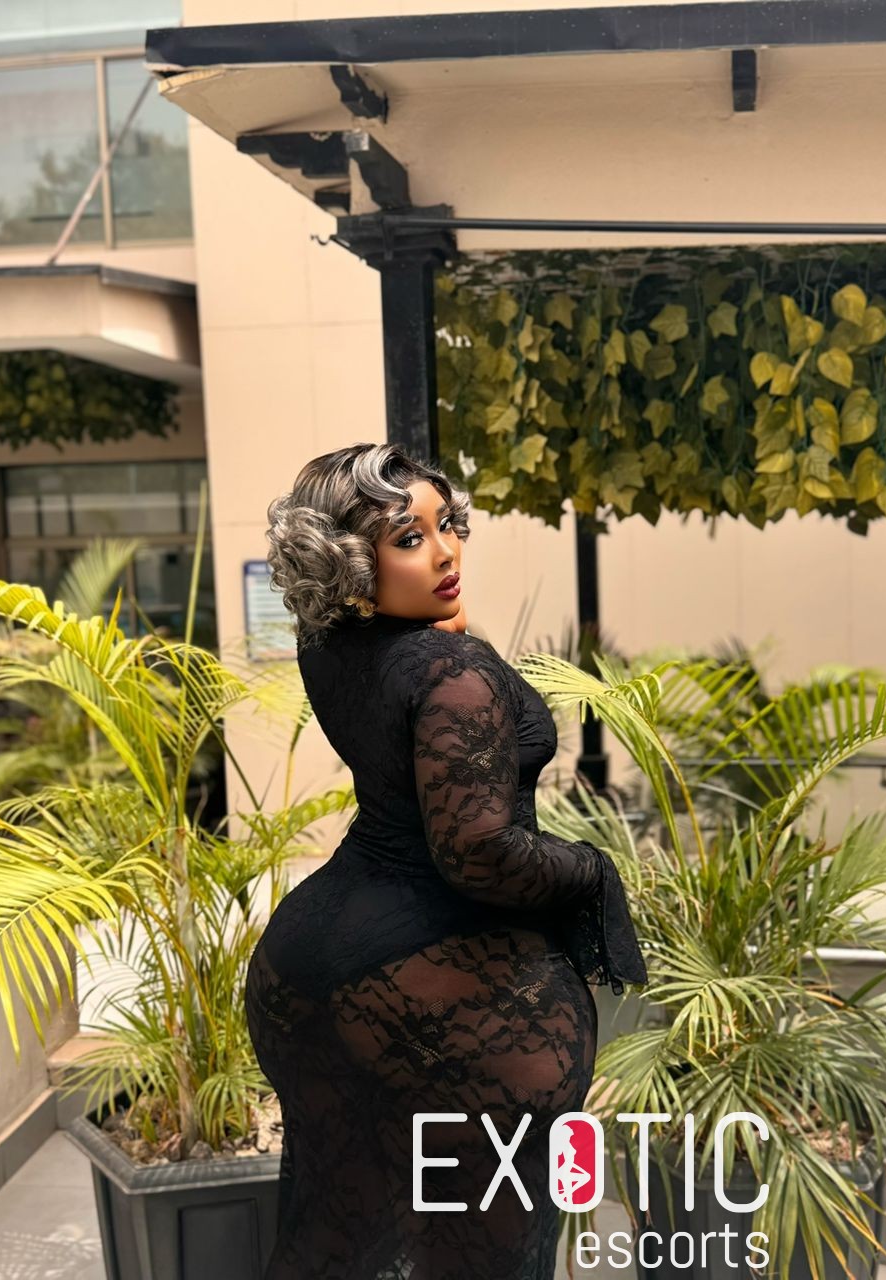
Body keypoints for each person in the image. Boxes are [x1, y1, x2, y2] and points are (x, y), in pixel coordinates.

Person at [244, 441, 648, 1280]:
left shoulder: (330, 643)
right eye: (409, 538)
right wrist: (592, 871)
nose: (446, 552)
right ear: (353, 563)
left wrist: (454, 643)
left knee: (330, 1242)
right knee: (480, 1258)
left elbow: (409, 700)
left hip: (306, 974)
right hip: (444, 991)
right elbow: (480, 854)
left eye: (448, 525)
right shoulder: (450, 673)